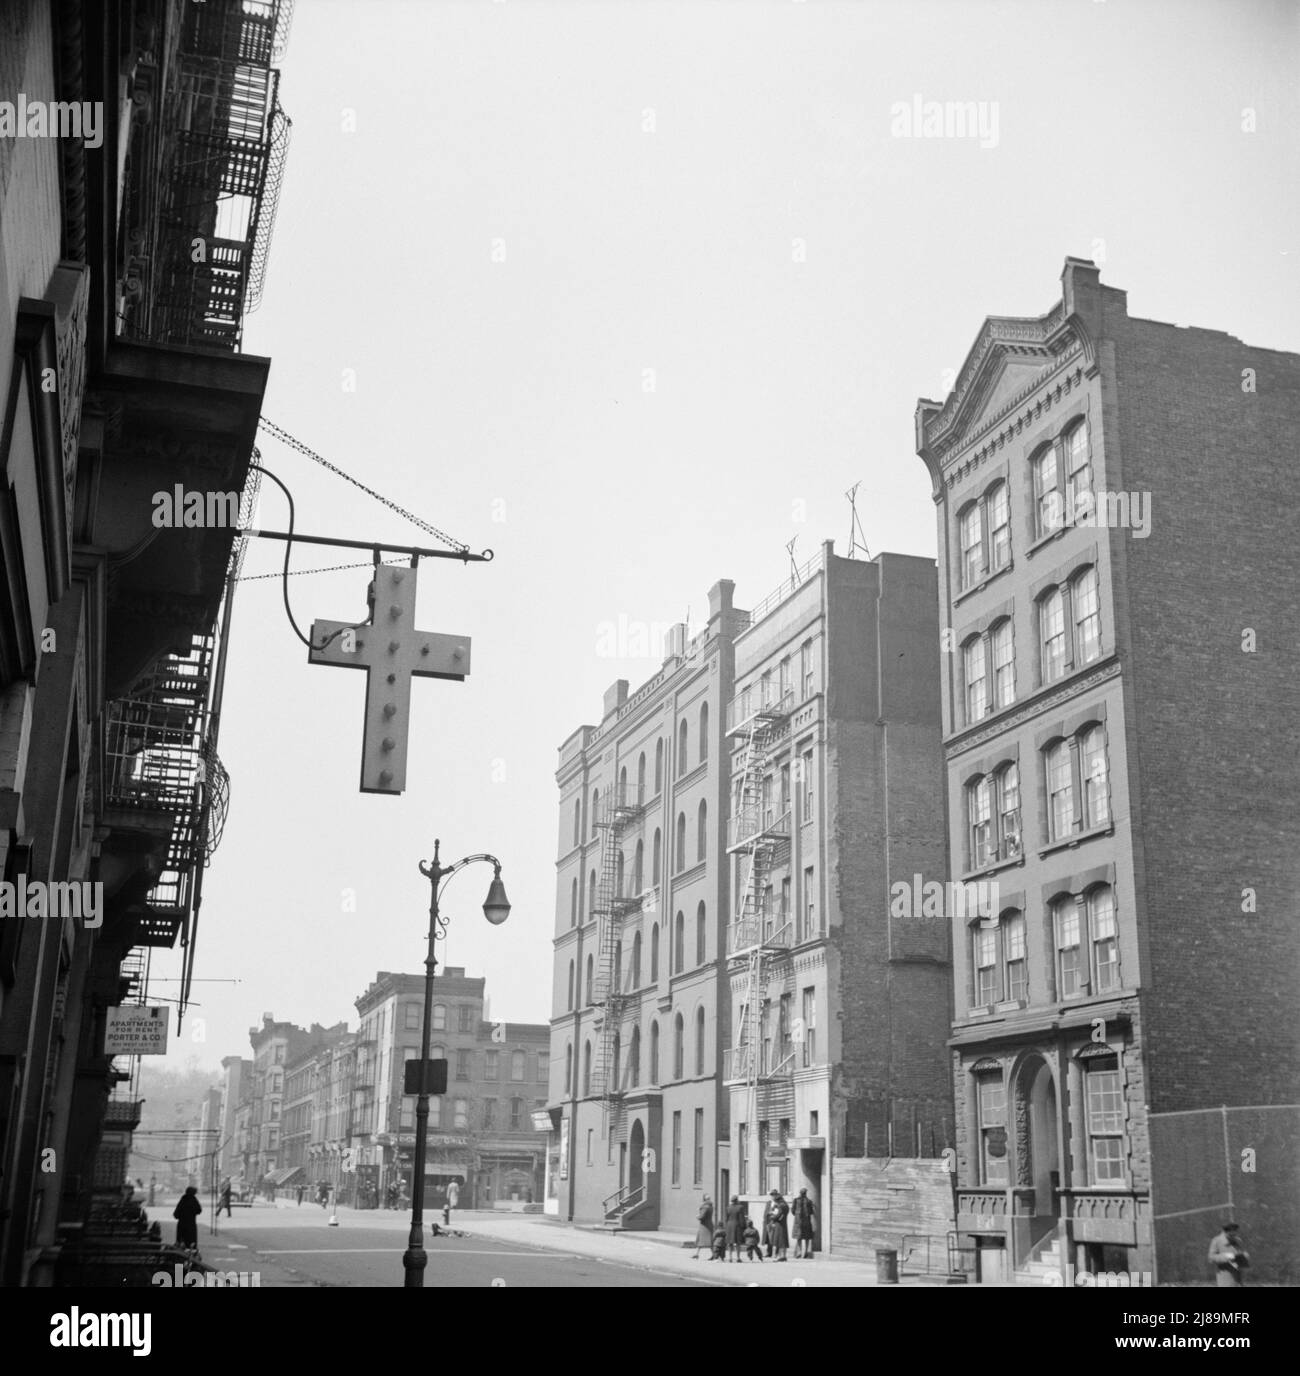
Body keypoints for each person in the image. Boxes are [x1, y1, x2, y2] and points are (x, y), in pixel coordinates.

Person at [1208, 1221, 1250, 1286]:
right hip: (1225, 1278)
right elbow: (1211, 1258)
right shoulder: (1216, 1241)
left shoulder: (1238, 1241)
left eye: (1235, 1234)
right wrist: (1226, 1256)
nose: (1234, 1236)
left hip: (1239, 1277)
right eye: (1231, 1235)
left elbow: (1241, 1255)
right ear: (1224, 1232)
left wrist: (1245, 1256)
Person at [173, 1185, 202, 1252]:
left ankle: (179, 1260)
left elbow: (176, 1214)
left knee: (181, 1243)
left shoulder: (183, 1199)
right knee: (191, 1243)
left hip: (181, 1224)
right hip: (191, 1224)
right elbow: (199, 1210)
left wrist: (181, 1215)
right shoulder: (194, 1200)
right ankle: (191, 1258)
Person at [790, 1188, 815, 1258]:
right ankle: (805, 1251)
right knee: (806, 1237)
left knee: (799, 1237)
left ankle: (800, 1252)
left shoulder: (796, 1200)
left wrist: (797, 1215)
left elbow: (792, 1211)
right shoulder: (809, 1201)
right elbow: (811, 1212)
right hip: (806, 1221)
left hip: (798, 1221)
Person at [765, 1190, 790, 1261]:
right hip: (783, 1223)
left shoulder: (781, 1206)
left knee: (780, 1240)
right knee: (783, 1240)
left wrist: (772, 1217)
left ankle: (780, 1256)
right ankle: (783, 1255)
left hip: (779, 1224)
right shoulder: (785, 1205)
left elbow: (779, 1215)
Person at [724, 1194, 746, 1263]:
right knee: (738, 1243)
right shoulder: (740, 1207)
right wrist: (744, 1226)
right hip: (737, 1226)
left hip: (729, 1226)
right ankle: (738, 1257)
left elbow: (726, 1218)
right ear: (737, 1200)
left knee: (730, 1243)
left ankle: (730, 1257)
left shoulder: (728, 1208)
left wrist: (726, 1226)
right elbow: (742, 1219)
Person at [693, 1194, 715, 1259]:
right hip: (709, 1224)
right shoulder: (711, 1206)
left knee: (701, 1240)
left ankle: (697, 1254)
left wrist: (698, 1217)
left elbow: (702, 1216)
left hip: (704, 1225)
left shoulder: (705, 1207)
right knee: (709, 1241)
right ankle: (697, 1254)